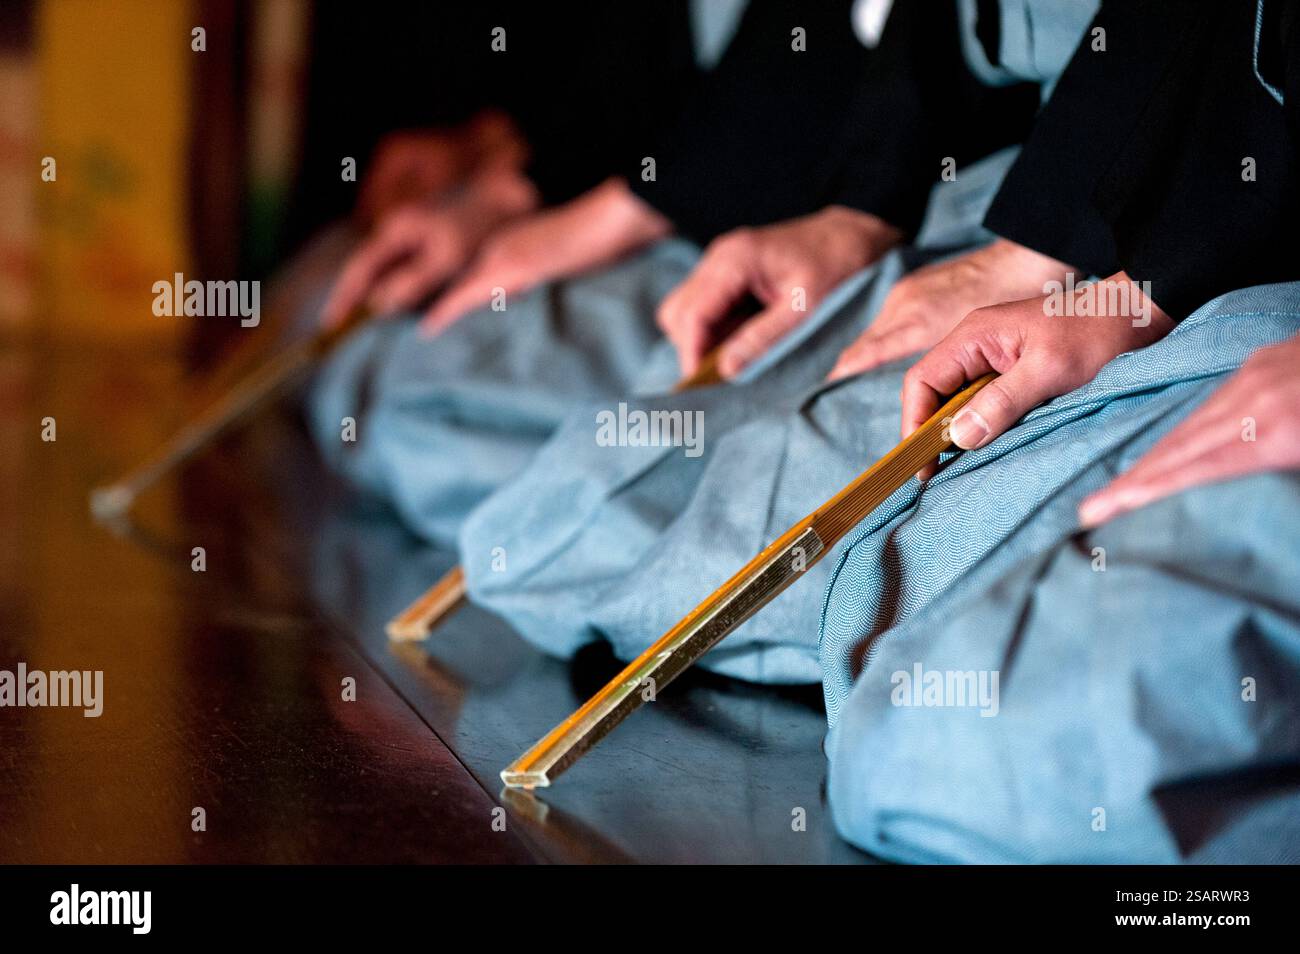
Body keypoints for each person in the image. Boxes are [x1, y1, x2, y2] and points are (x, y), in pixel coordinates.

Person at [459, 0, 1091, 682]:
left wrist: (1068, 245)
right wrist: (864, 206)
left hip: (1127, 234)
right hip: (957, 192)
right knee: (535, 510)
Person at [820, 0, 1300, 863]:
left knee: (958, 743)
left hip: (1251, 278)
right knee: (894, 600)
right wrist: (1124, 278)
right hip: (1175, 223)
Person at [308, 0, 1037, 545]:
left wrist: (1056, 254)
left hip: (1013, 208)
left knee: (427, 409)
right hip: (784, 188)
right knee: (391, 385)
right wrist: (519, 169)